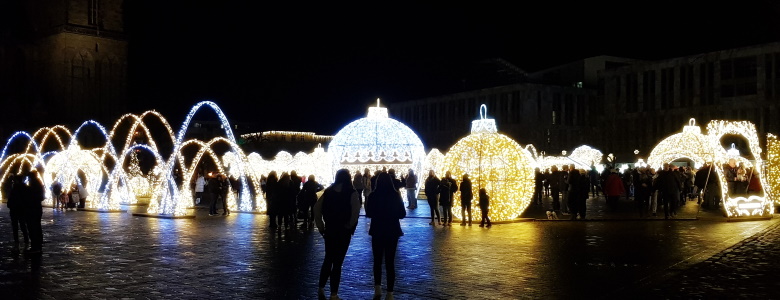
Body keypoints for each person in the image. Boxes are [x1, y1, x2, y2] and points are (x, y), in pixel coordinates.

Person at [314, 169, 360, 300]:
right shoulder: (351, 192)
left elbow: (317, 208)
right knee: (338, 262)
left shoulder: (328, 191)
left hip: (330, 229)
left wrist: (321, 226)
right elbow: (355, 212)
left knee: (328, 258)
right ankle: (334, 294)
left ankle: (321, 288)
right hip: (343, 231)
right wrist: (350, 225)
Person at [365, 172, 406, 300]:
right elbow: (402, 214)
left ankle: (377, 288)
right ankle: (390, 292)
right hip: (392, 231)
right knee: (390, 262)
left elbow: (369, 213)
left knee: (377, 260)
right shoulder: (395, 195)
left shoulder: (373, 195)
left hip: (377, 230)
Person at [24, 169, 45, 254]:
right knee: (36, 227)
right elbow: (42, 197)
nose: (28, 179)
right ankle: (37, 246)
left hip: (33, 208)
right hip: (36, 208)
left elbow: (36, 196)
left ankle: (35, 247)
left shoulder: (34, 185)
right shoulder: (39, 184)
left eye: (29, 177)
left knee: (33, 227)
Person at [7, 174, 29, 246]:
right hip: (21, 209)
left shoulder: (15, 188)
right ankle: (26, 239)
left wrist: (10, 204)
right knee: (22, 225)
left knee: (15, 226)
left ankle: (17, 240)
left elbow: (11, 198)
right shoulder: (25, 188)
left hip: (15, 209)